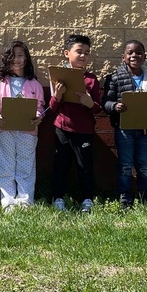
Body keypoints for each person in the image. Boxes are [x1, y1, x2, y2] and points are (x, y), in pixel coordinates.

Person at [102, 39, 147, 208]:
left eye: (138, 52)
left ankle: (146, 196)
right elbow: (106, 102)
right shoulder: (114, 78)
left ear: (145, 57)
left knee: (143, 165)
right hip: (124, 129)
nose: (134, 55)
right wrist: (115, 106)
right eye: (130, 53)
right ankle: (124, 196)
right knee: (125, 165)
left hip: (144, 130)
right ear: (123, 57)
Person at [49, 33, 103, 214]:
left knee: (85, 166)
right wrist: (58, 95)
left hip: (84, 130)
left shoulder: (91, 79)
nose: (83, 56)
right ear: (67, 53)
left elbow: (97, 108)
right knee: (61, 164)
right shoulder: (58, 76)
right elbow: (53, 107)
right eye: (78, 51)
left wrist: (90, 104)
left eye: (86, 53)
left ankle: (87, 199)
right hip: (62, 127)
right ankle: (58, 198)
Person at [0, 40, 45, 209]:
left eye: (21, 55)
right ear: (6, 59)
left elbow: (40, 106)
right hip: (5, 130)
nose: (16, 59)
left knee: (26, 165)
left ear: (26, 59)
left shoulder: (34, 84)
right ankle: (8, 202)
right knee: (5, 165)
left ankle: (25, 201)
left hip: (28, 131)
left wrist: (37, 116)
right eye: (12, 56)